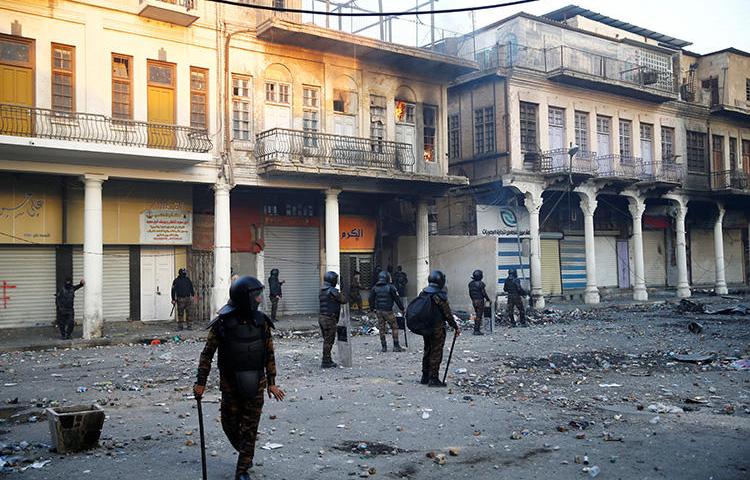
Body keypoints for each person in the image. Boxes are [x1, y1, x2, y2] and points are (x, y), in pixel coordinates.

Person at [193, 276, 285, 480]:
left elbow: (269, 353)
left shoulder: (262, 322)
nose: (260, 300)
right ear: (245, 298)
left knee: (250, 428)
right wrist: (201, 383)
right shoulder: (223, 323)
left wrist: (272, 383)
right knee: (229, 425)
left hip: (257, 384)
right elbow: (207, 354)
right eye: (257, 296)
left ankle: (242, 469)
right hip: (230, 385)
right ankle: (245, 451)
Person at [418, 270, 460, 387]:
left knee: (427, 350)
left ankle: (424, 376)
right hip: (437, 329)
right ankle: (433, 379)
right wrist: (455, 327)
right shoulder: (440, 296)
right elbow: (447, 314)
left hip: (426, 328)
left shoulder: (423, 293)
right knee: (436, 352)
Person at [369, 271, 405, 353]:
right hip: (388, 311)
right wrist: (402, 308)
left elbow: (371, 299)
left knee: (381, 328)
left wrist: (372, 309)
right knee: (394, 327)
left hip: (379, 311)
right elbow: (397, 299)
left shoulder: (375, 288)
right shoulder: (391, 287)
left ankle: (384, 347)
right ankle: (396, 346)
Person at [319, 271, 347, 368]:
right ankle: (326, 361)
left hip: (322, 317)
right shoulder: (332, 290)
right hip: (329, 318)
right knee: (329, 341)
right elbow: (344, 300)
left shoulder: (322, 289)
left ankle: (328, 359)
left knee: (326, 340)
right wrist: (342, 289)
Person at [468, 269, 491, 336]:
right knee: (479, 316)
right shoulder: (480, 284)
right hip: (480, 300)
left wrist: (473, 299)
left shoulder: (471, 284)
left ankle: (477, 329)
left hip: (474, 300)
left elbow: (470, 293)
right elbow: (483, 293)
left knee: (477, 315)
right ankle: (476, 330)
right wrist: (488, 299)